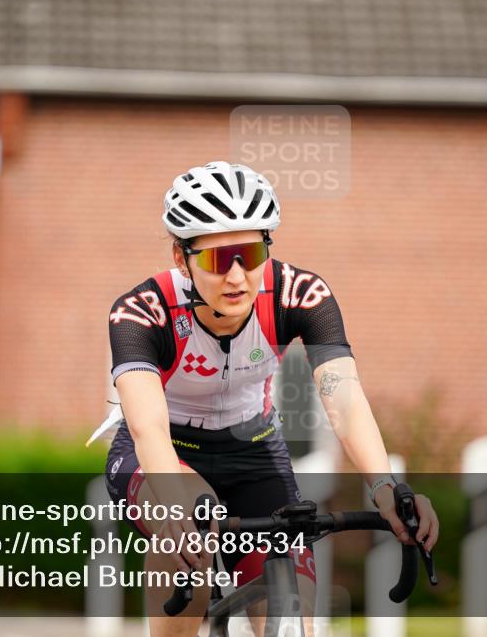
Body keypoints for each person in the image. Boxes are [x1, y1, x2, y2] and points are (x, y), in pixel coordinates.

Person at [104, 161, 439, 636]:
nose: (238, 276)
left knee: (292, 609)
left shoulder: (299, 295)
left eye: (252, 252)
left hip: (255, 451)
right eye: (219, 259)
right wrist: (174, 511)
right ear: (182, 258)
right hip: (165, 456)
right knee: (191, 520)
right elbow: (148, 428)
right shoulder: (143, 312)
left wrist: (386, 489)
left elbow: (343, 399)